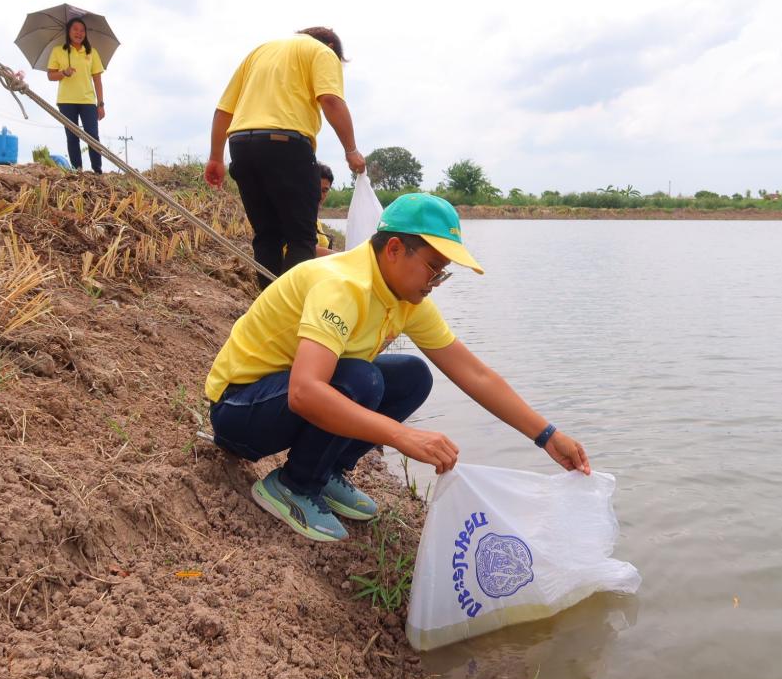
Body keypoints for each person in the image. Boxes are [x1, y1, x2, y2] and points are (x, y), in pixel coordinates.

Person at [205, 193, 591, 542]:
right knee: (362, 378)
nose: (436, 282)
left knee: (412, 376)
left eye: (443, 273)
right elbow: (305, 392)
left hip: (278, 400)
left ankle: (325, 473)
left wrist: (547, 436)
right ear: (394, 249)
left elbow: (475, 374)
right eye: (433, 269)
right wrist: (402, 437)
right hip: (239, 412)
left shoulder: (404, 299)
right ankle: (293, 486)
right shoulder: (343, 286)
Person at [204, 27, 368, 288]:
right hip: (286, 145)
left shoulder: (258, 52)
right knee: (301, 239)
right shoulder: (322, 51)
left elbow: (224, 109)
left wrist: (216, 156)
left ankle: (268, 310)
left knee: (267, 236)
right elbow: (330, 99)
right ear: (329, 44)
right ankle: (288, 313)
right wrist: (351, 151)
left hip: (241, 146)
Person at [46, 17, 106, 173]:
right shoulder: (58, 51)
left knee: (92, 135)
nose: (79, 33)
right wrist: (64, 73)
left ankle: (97, 170)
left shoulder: (92, 52)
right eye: (75, 29)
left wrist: (101, 104)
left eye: (82, 30)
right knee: (72, 136)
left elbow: (98, 81)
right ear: (68, 31)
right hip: (66, 101)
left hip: (87, 100)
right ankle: (77, 169)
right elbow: (51, 76)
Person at [314, 162, 337, 256]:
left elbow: (323, 248)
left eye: (324, 190)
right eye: (316, 188)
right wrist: (344, 256)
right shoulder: (295, 215)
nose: (320, 195)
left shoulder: (316, 220)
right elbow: (310, 251)